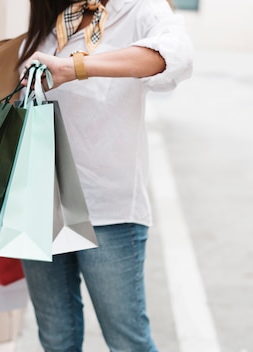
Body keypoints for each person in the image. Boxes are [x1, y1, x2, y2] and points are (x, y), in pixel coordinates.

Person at [17, 0, 193, 351]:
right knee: (56, 339)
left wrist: (76, 67)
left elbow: (177, 54)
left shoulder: (139, 8)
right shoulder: (49, 16)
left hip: (108, 210)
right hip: (40, 204)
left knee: (127, 342)